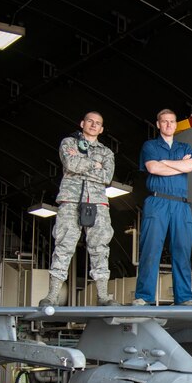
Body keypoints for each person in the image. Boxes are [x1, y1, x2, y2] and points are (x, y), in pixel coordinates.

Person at [39, 111, 118, 307]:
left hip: (97, 203)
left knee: (100, 248)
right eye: (90, 121)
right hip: (71, 201)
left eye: (98, 123)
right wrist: (95, 164)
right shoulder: (69, 143)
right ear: (82, 123)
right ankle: (52, 296)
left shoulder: (107, 152)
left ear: (101, 129)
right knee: (64, 246)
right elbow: (71, 163)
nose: (93, 125)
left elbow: (106, 177)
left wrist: (85, 165)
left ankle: (103, 296)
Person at [133, 109, 192, 306]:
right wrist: (179, 163)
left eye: (172, 121)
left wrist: (166, 163)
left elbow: (191, 167)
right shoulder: (150, 146)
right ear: (158, 124)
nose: (169, 125)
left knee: (182, 250)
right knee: (151, 249)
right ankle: (144, 297)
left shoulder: (185, 146)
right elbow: (153, 168)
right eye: (164, 122)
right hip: (157, 202)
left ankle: (184, 297)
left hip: (181, 204)